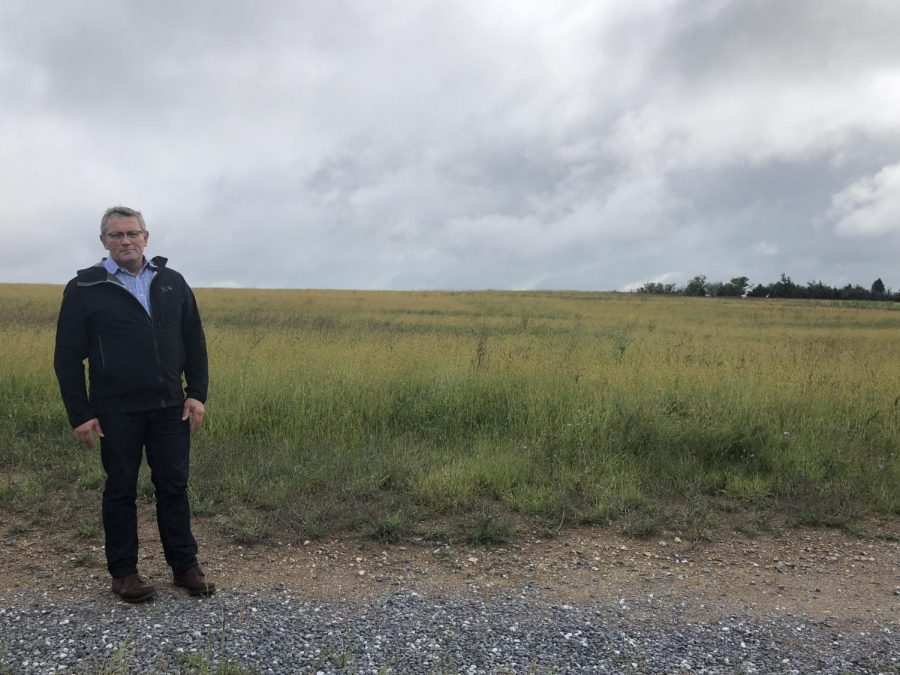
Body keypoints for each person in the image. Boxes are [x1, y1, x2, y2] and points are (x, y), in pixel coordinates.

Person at [54, 205, 215, 603]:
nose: (125, 241)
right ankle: (124, 573)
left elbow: (194, 341)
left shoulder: (172, 282)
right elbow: (67, 356)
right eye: (116, 235)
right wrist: (81, 414)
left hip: (169, 407)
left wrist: (196, 393)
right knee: (121, 489)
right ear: (103, 241)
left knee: (174, 487)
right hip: (115, 411)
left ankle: (185, 567)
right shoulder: (85, 288)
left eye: (132, 233)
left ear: (146, 236)